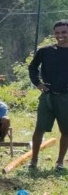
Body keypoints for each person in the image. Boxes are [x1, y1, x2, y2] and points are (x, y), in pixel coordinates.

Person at [28, 20, 68, 170]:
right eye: (57, 33)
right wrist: (38, 83)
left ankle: (59, 163)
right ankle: (34, 161)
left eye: (64, 32)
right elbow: (32, 67)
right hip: (48, 96)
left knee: (66, 131)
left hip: (66, 97)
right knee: (39, 129)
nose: (60, 35)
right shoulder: (45, 51)